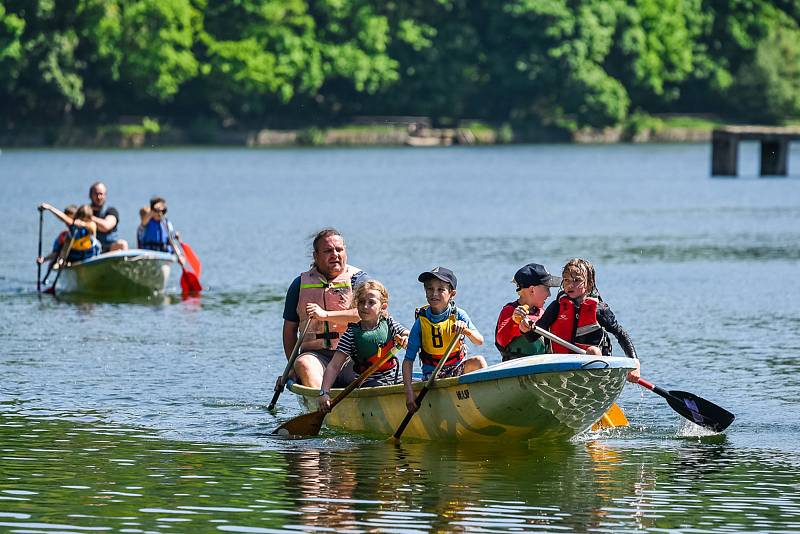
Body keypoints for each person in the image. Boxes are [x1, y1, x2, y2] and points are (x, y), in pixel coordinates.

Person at [281, 228, 368, 389]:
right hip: (316, 356)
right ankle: (322, 404)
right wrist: (292, 367)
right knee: (303, 364)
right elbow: (289, 330)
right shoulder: (299, 285)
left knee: (375, 370)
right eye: (328, 250)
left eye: (339, 249)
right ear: (316, 256)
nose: (335, 254)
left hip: (353, 356)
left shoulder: (359, 280)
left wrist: (325, 315)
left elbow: (367, 314)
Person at [530, 258, 641, 382]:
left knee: (593, 351)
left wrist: (635, 364)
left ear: (588, 284)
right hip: (562, 366)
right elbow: (533, 336)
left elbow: (621, 334)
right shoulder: (557, 306)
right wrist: (525, 328)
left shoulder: (599, 309)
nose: (570, 285)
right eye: (566, 280)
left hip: (594, 365)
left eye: (577, 280)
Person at [403, 267, 487, 413]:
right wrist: (409, 394)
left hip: (456, 369)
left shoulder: (459, 315)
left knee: (479, 361)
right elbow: (408, 360)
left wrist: (465, 330)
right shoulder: (421, 322)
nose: (434, 294)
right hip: (432, 377)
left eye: (441, 289)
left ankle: (484, 405)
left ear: (452, 294)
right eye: (430, 289)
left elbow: (479, 341)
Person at [317, 280, 410, 413]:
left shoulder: (389, 323)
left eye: (371, 302)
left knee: (412, 386)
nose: (365, 306)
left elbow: (409, 334)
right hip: (369, 383)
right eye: (361, 302)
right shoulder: (351, 334)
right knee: (381, 390)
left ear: (383, 307)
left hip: (395, 378)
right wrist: (324, 393)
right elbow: (334, 366)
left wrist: (406, 339)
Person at [495, 263, 562, 361]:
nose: (549, 294)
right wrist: (514, 321)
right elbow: (501, 341)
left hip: (542, 367)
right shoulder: (510, 311)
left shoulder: (543, 314)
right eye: (547, 288)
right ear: (532, 290)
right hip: (515, 367)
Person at [89, 182, 128, 252]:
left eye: (101, 194)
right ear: (90, 195)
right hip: (90, 247)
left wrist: (89, 218)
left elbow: (106, 226)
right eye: (96, 194)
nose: (99, 197)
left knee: (122, 244)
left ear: (105, 195)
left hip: (109, 248)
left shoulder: (111, 211)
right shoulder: (85, 211)